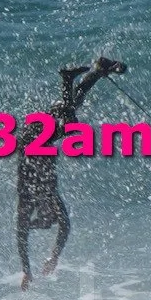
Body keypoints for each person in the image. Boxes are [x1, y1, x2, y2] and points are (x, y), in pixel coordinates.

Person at [18, 56, 126, 286]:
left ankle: (68, 78)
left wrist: (27, 270)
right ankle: (98, 69)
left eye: (47, 219)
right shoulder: (50, 196)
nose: (53, 216)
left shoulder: (27, 201)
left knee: (68, 120)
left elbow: (22, 236)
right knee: (71, 107)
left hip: (29, 143)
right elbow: (65, 225)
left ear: (43, 212)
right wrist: (54, 257)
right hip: (39, 143)